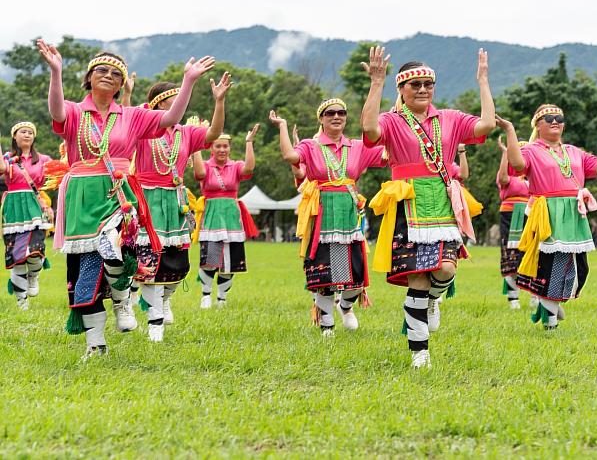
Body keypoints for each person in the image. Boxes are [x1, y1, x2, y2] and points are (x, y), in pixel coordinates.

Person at [37, 39, 214, 359]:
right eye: (100, 71)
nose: (107, 76)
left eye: (114, 73)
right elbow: (57, 110)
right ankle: (96, 345)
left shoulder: (132, 115)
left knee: (116, 250)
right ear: (89, 78)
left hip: (118, 192)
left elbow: (170, 119)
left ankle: (121, 297)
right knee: (85, 272)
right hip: (81, 193)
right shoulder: (77, 112)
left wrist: (188, 81)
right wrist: (56, 72)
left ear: (121, 84)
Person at [361, 46, 495, 369]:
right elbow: (368, 131)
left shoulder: (449, 118)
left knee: (446, 269)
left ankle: (435, 300)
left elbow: (487, 125)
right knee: (416, 279)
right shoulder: (392, 121)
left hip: (443, 202)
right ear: (402, 90)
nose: (422, 90)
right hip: (409, 204)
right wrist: (376, 83)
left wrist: (483, 81)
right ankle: (420, 352)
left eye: (428, 84)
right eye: (415, 85)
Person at [502, 104, 597, 330]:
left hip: (574, 213)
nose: (555, 121)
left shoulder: (573, 151)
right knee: (552, 265)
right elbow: (517, 164)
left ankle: (551, 300)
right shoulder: (531, 150)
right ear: (538, 125)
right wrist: (510, 131)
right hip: (547, 212)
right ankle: (550, 324)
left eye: (559, 117)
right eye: (549, 118)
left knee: (579, 267)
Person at [269, 98, 385, 336]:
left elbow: (386, 155)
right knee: (324, 273)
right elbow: (290, 157)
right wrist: (282, 126)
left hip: (349, 214)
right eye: (330, 113)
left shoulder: (357, 146)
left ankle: (346, 306)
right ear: (321, 118)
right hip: (321, 213)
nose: (336, 116)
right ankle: (327, 327)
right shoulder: (311, 146)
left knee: (356, 274)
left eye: (341, 112)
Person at [132, 73, 228, 341]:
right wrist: (129, 96)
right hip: (148, 199)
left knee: (178, 263)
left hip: (176, 200)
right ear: (162, 105)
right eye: (176, 99)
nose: (181, 105)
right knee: (148, 260)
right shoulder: (142, 127)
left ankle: (165, 298)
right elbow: (126, 117)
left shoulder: (185, 132)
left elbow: (214, 133)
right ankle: (155, 322)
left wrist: (219, 102)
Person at [191, 125, 259, 308]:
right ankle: (206, 294)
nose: (222, 150)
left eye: (225, 146)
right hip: (212, 213)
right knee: (210, 258)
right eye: (218, 146)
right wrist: (196, 144)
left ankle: (222, 297)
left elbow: (249, 168)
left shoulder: (235, 166)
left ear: (229, 148)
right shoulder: (205, 165)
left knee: (231, 261)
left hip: (231, 215)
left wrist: (249, 142)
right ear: (211, 148)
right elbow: (199, 174)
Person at [0, 122, 52, 309]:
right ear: (15, 136)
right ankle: (22, 302)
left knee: (36, 252)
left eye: (30, 132)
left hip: (34, 206)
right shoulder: (8, 159)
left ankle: (34, 275)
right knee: (17, 256)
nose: (27, 135)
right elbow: (1, 168)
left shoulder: (44, 159)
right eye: (23, 132)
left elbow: (55, 176)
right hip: (13, 208)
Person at [496, 134, 531, 309]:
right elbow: (502, 178)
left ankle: (535, 294)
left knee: (531, 254)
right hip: (510, 215)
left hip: (529, 214)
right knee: (511, 253)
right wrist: (504, 153)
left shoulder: (531, 178)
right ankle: (513, 298)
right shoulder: (508, 177)